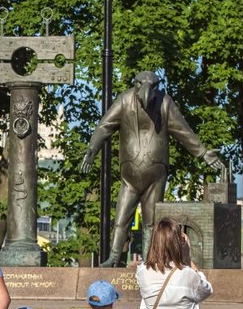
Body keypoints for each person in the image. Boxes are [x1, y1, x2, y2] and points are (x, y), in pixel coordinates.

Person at [79, 71, 223, 266]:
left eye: (153, 87)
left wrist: (203, 153)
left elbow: (182, 130)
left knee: (151, 222)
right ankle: (114, 256)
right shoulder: (124, 100)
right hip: (130, 176)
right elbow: (105, 126)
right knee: (121, 218)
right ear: (135, 85)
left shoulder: (165, 102)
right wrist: (91, 150)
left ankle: (150, 260)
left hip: (155, 175)